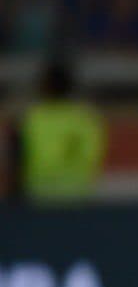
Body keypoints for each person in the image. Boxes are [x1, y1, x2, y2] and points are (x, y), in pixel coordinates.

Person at [10, 59, 107, 203]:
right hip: (77, 197)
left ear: (43, 86)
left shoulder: (29, 120)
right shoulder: (87, 120)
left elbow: (17, 164)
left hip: (38, 197)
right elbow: (93, 157)